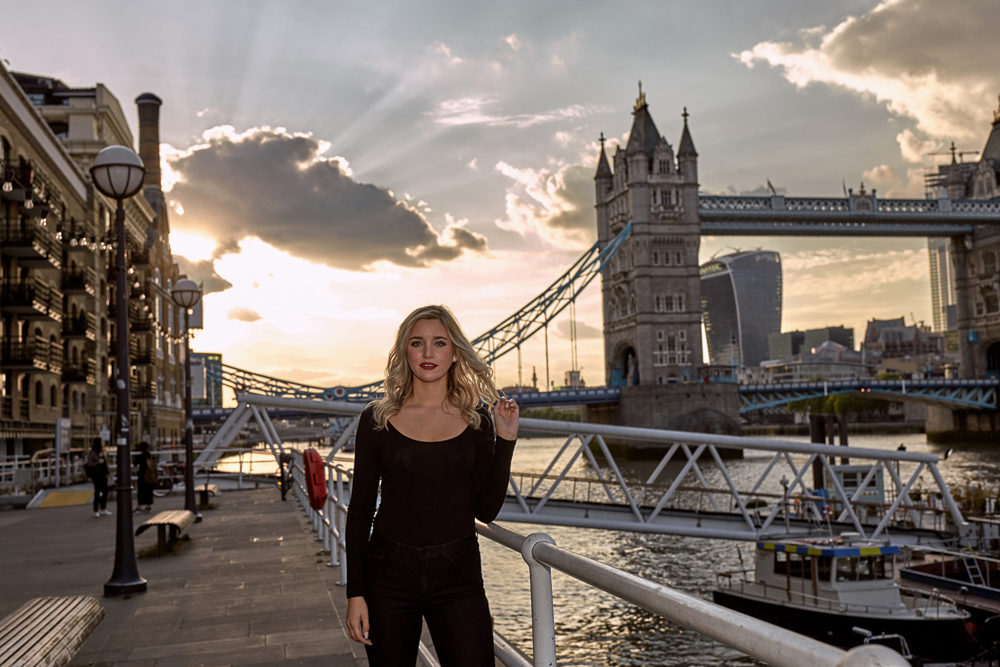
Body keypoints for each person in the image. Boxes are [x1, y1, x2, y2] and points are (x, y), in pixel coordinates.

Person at [345, 305, 519, 666]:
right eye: (417, 343)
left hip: (458, 575)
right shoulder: (376, 419)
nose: (428, 353)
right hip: (387, 576)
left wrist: (505, 441)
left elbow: (485, 509)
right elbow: (361, 510)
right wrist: (355, 594)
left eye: (439, 343)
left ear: (455, 352)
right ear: (403, 352)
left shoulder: (478, 421)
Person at [85, 437, 111, 517]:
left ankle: (103, 508)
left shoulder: (102, 452)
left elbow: (105, 464)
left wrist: (108, 473)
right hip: (96, 476)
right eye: (102, 441)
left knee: (105, 491)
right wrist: (97, 462)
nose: (103, 442)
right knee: (98, 491)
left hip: (103, 475)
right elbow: (89, 464)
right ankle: (96, 509)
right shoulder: (93, 453)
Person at [135, 441, 156, 513]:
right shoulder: (151, 455)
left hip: (142, 474)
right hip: (150, 475)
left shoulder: (140, 456)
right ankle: (148, 505)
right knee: (149, 490)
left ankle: (139, 506)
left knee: (141, 491)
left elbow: (135, 463)